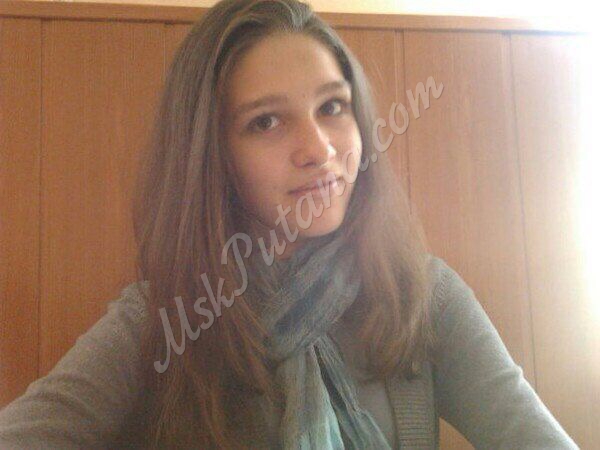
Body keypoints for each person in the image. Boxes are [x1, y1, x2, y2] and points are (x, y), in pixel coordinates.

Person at [0, 0, 580, 448]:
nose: (320, 149)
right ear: (213, 155)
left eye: (332, 107)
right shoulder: (161, 319)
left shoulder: (425, 296)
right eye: (266, 122)